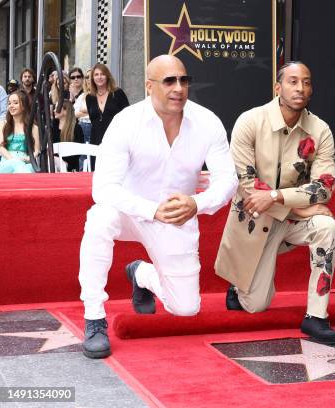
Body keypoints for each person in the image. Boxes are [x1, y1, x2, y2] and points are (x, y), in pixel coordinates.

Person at [78, 55, 237, 359]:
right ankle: (94, 316)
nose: (179, 88)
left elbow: (227, 179)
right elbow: (103, 188)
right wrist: (150, 210)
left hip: (176, 218)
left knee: (186, 308)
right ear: (149, 86)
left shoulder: (207, 122)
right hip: (130, 211)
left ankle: (141, 275)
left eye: (184, 80)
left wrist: (197, 203)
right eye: (169, 81)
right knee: (99, 218)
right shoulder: (126, 122)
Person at [215, 61, 335, 345]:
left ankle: (316, 316)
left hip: (292, 222)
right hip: (256, 218)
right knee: (257, 305)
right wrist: (297, 206)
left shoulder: (320, 130)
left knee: (328, 227)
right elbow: (248, 185)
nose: (301, 88)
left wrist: (279, 197)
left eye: (306, 82)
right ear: (278, 87)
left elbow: (323, 187)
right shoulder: (250, 121)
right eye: (293, 81)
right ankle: (239, 287)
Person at [80, 63, 129, 169]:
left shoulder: (118, 93)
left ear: (107, 76)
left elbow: (128, 117)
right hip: (96, 140)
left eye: (102, 74)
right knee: (97, 172)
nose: (99, 77)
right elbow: (94, 120)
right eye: (96, 74)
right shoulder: (89, 98)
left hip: (116, 140)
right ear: (92, 78)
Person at [0, 91, 39, 173]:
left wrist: (28, 159)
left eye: (15, 103)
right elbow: (1, 147)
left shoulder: (33, 127)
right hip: (7, 161)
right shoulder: (2, 124)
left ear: (24, 106)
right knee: (18, 166)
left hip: (25, 161)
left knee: (26, 169)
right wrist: (14, 160)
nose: (11, 106)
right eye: (9, 103)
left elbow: (36, 150)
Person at [52, 100, 84, 172]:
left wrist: (65, 163)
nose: (54, 110)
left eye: (57, 108)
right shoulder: (53, 127)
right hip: (54, 164)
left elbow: (78, 151)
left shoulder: (76, 128)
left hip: (71, 166)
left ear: (66, 111)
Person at [74, 69, 92, 145]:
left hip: (93, 127)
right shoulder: (83, 95)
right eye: (87, 77)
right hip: (81, 126)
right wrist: (87, 112)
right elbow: (74, 113)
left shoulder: (101, 94)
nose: (89, 79)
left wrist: (83, 111)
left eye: (91, 76)